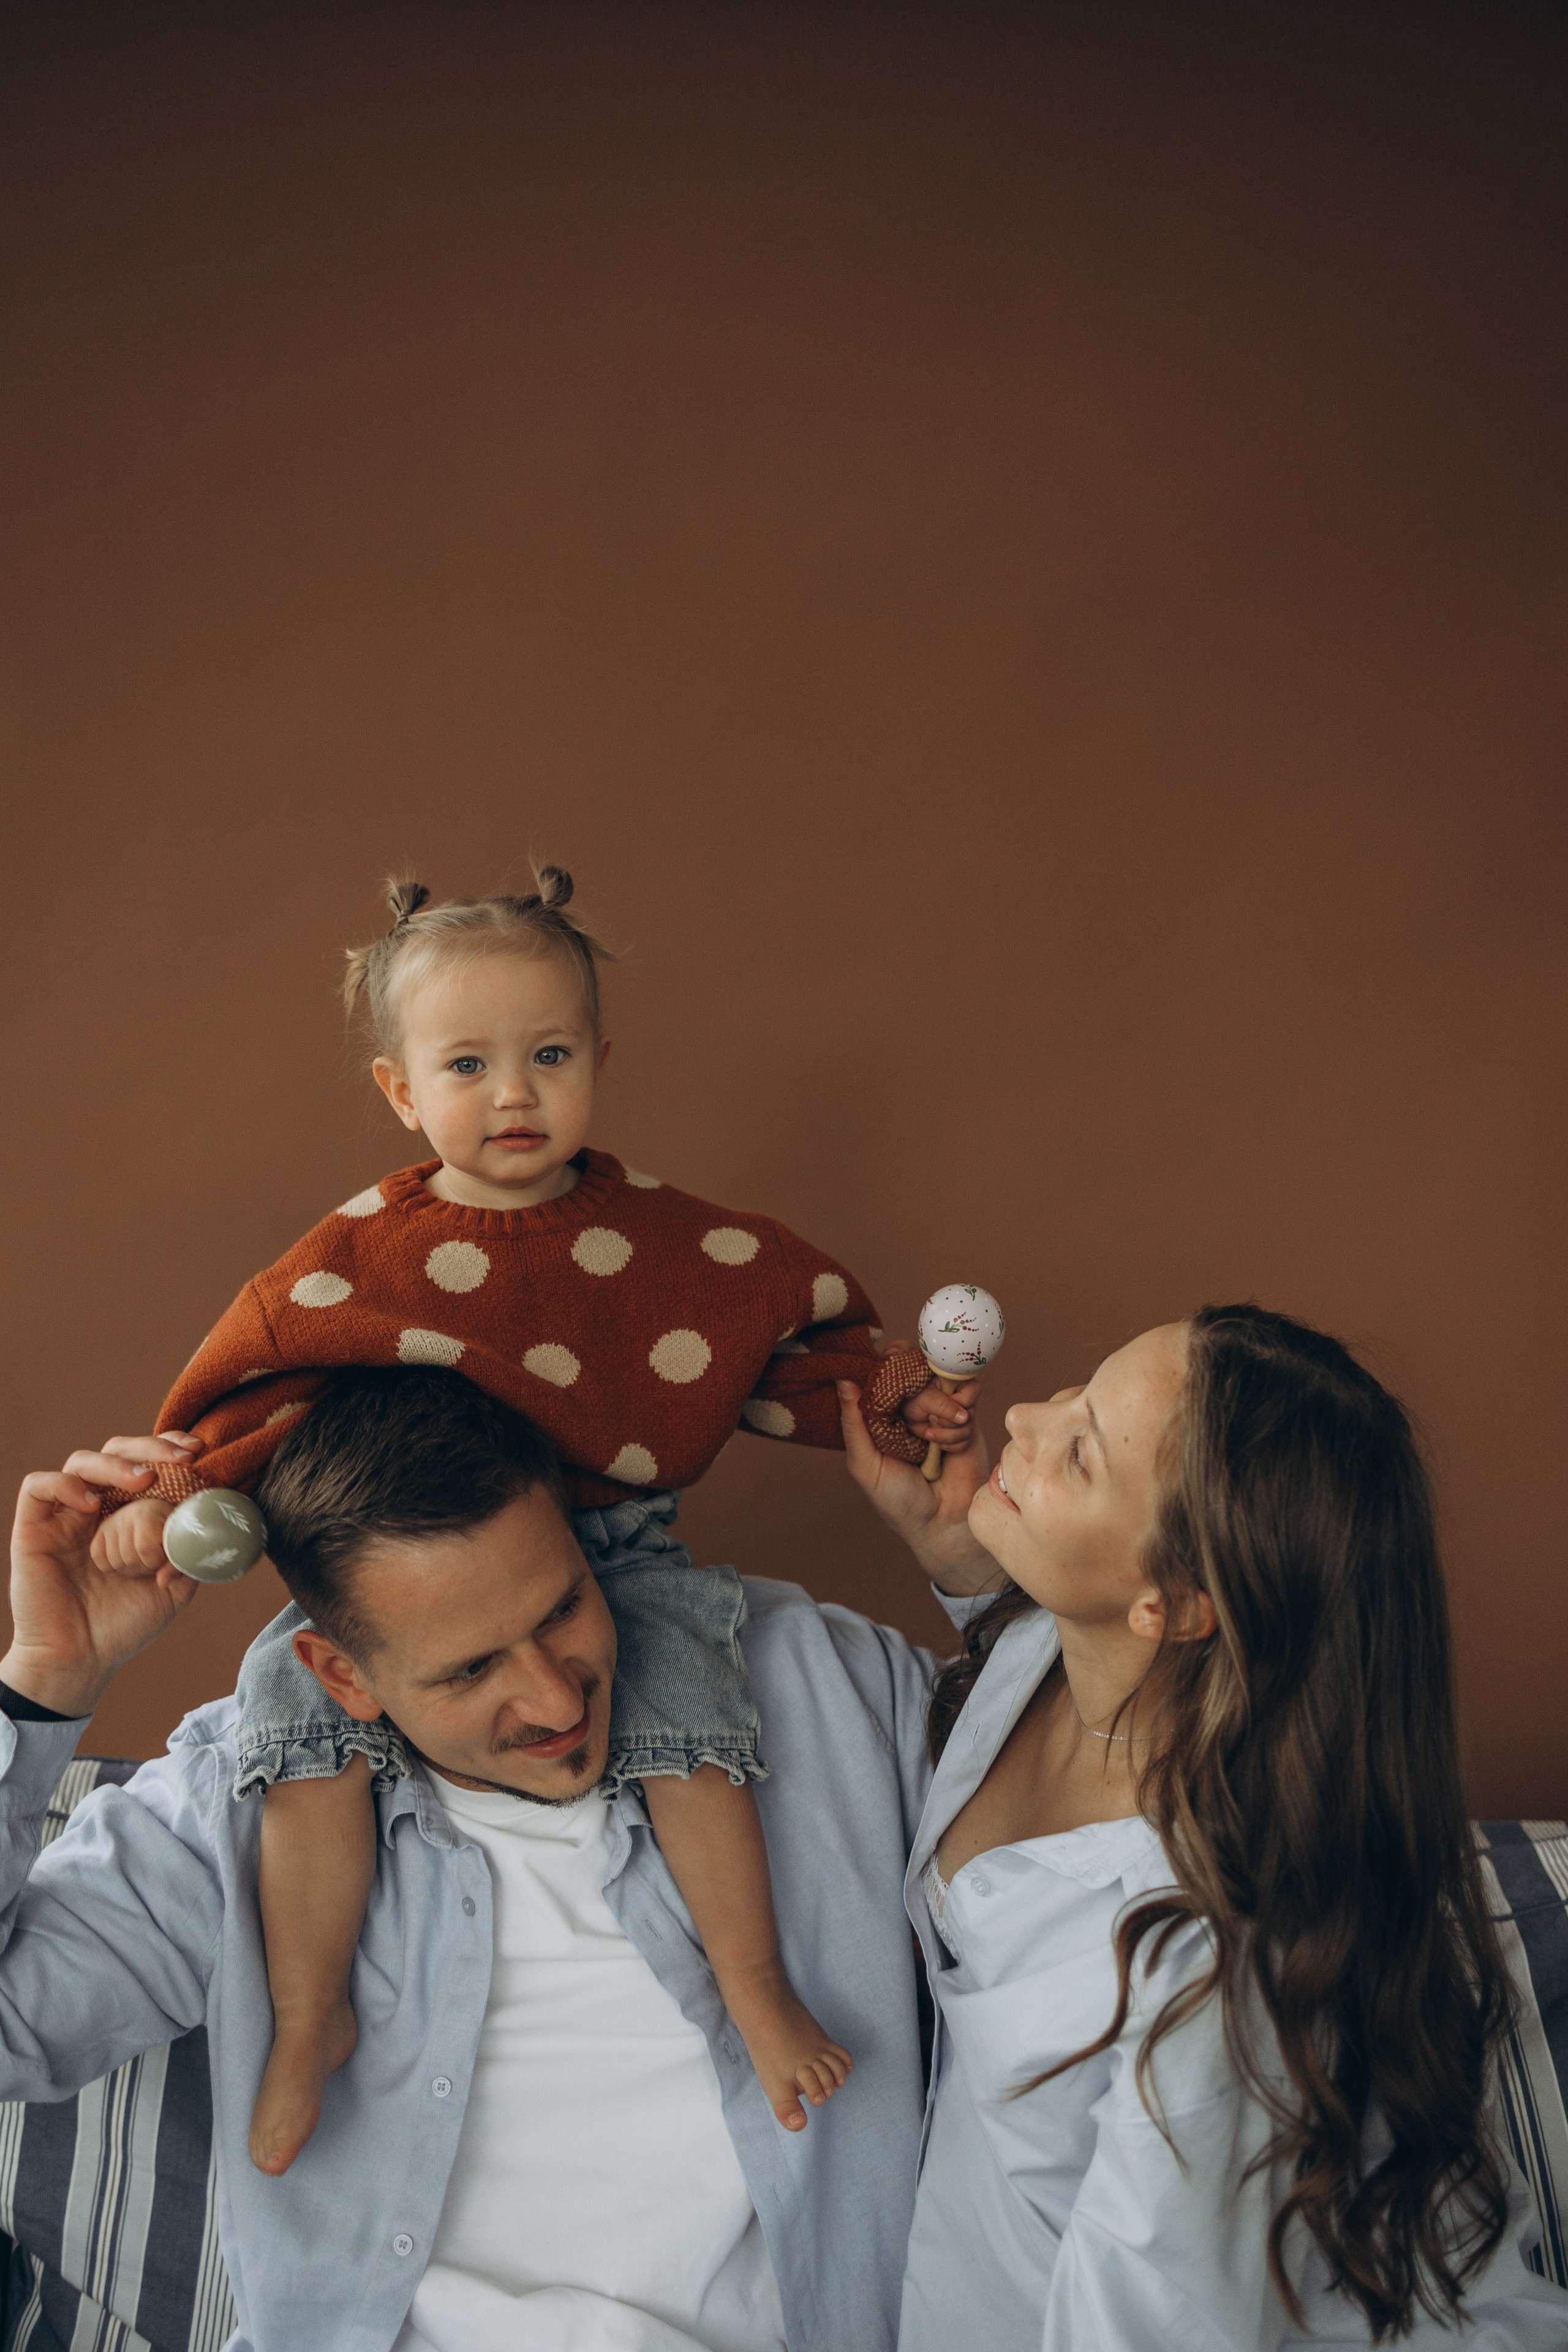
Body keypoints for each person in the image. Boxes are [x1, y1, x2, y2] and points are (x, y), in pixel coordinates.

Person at [90, 868, 968, 2171]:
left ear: (599, 1061)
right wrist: (174, 1498)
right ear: (400, 1089)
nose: (514, 1094)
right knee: (289, 1723)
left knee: (690, 1718)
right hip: (408, 1572)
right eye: (468, 1064)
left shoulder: (673, 1244)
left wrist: (886, 1394)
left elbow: (786, 1340)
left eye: (549, 1055)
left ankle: (753, 1985)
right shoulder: (356, 1258)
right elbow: (256, 1389)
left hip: (618, 1551)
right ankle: (308, 2014)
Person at [0, 1364, 943, 2352]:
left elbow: (1084, 1834)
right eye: (472, 1669)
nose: (556, 1702)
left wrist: (970, 1573)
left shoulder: (817, 1689)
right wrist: (44, 1686)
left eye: (563, 1611)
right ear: (342, 1675)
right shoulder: (232, 1803)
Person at [835, 1302, 1568, 2349]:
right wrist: (966, 1559)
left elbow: (1154, 2325)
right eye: (1077, 1390)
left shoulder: (1210, 1976)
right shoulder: (1060, 1648)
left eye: (1079, 1452)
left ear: (1174, 1608)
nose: (1025, 1419)